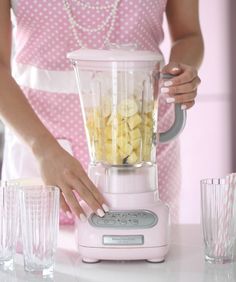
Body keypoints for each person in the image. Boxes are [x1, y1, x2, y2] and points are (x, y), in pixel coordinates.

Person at [0, 0, 203, 224]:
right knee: (39, 252)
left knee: (146, 248)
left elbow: (189, 35)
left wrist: (179, 74)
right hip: (39, 143)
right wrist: (42, 147)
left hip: (140, 142)